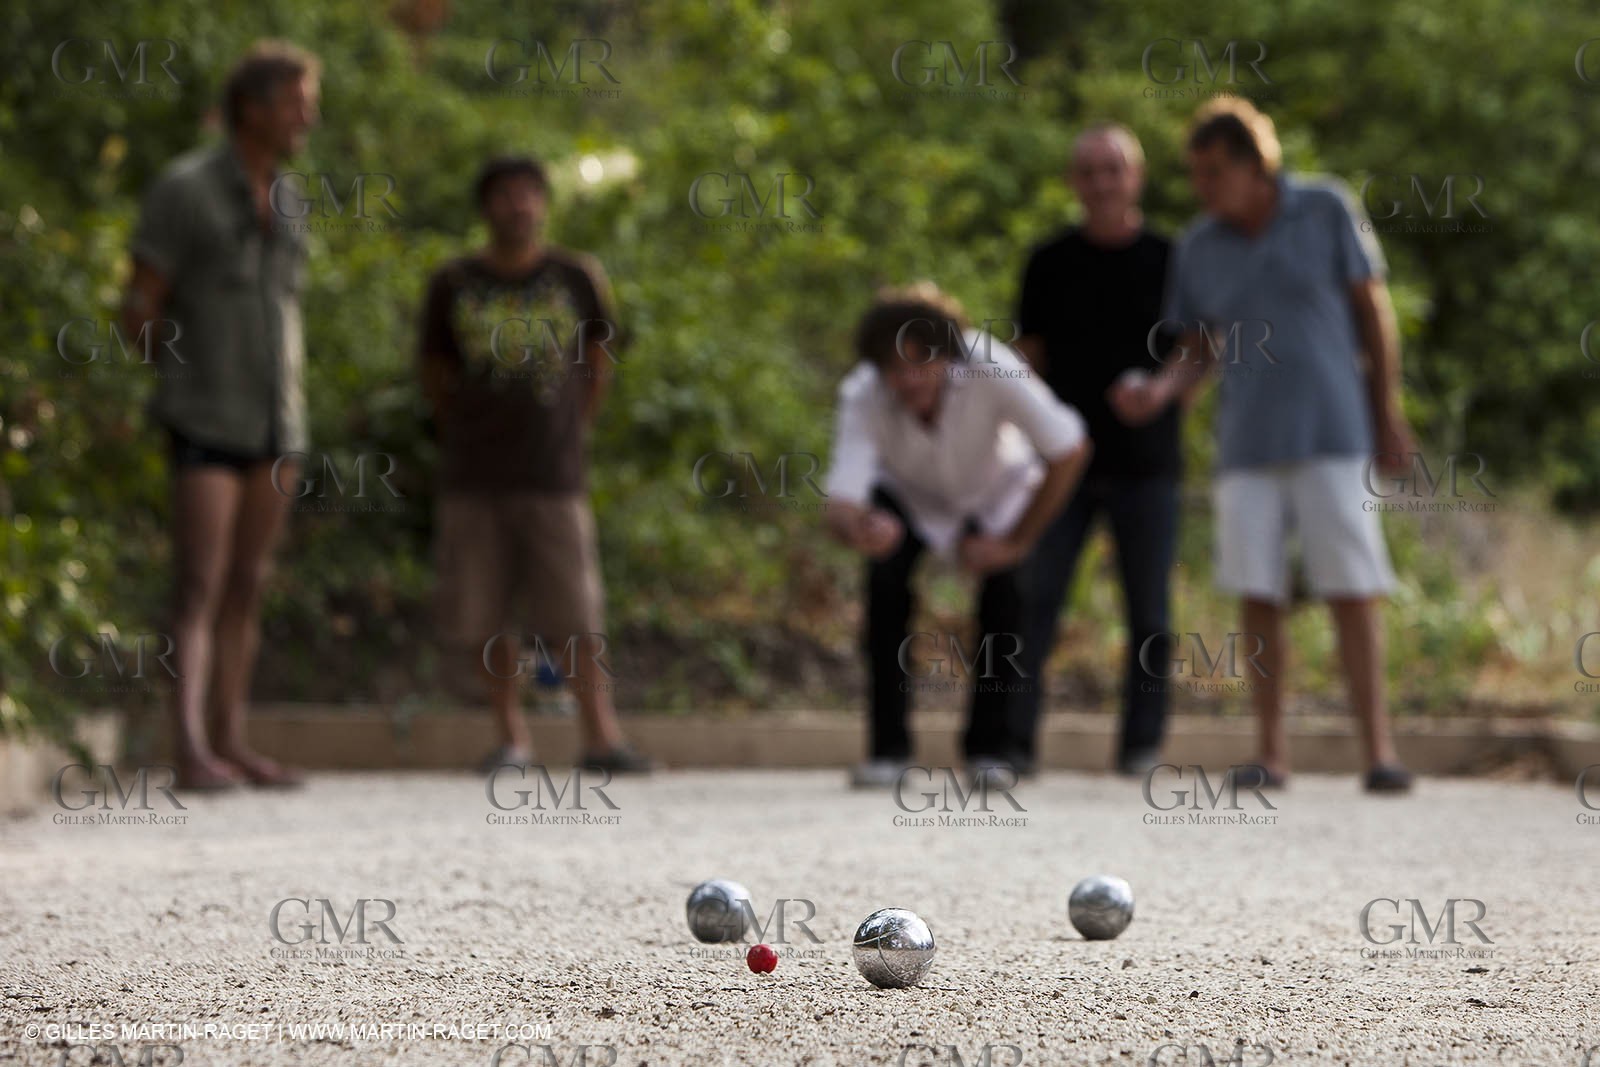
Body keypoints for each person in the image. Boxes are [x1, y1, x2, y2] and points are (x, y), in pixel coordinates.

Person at [1118, 97, 1415, 792]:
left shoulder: (1328, 207)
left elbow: (1373, 312)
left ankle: (1380, 752)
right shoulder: (1197, 246)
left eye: (1214, 171)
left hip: (1335, 435)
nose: (1202, 186)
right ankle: (1271, 753)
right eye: (1195, 173)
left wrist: (1387, 413)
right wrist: (1158, 392)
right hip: (1246, 447)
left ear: (1256, 165)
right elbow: (1197, 348)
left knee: (1353, 587)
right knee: (1258, 591)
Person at [123, 40, 320, 790]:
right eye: (296, 103)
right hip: (205, 417)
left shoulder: (292, 197)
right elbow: (140, 306)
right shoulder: (184, 189)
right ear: (252, 107)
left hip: (277, 422)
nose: (307, 117)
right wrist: (181, 379)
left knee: (248, 582)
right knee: (198, 585)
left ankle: (232, 738)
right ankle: (189, 747)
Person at [419, 155, 654, 774]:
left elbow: (598, 361)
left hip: (555, 473)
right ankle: (511, 740)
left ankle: (600, 738)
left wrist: (574, 428)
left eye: (529, 193)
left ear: (544, 203)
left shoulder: (576, 276)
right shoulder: (454, 281)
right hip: (473, 476)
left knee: (576, 610)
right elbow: (435, 372)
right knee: (485, 612)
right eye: (506, 194)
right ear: (485, 207)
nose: (519, 205)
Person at [823, 284, 1091, 787]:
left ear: (948, 355)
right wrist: (860, 528)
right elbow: (840, 501)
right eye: (894, 369)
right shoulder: (862, 393)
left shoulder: (992, 364)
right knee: (884, 586)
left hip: (996, 490)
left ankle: (991, 749)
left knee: (1008, 599)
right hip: (909, 494)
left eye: (920, 362)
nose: (908, 379)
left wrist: (1016, 542)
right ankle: (888, 751)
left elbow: (1069, 448)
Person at [1013, 123, 1180, 778]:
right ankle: (1013, 745)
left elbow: (1198, 350)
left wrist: (1160, 393)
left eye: (1114, 169)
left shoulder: (1172, 258)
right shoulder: (1048, 261)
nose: (1102, 183)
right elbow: (1028, 358)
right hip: (1063, 466)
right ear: (1072, 181)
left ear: (1136, 177)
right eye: (1089, 171)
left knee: (1150, 614)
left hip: (1148, 465)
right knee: (1034, 601)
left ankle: (1142, 748)